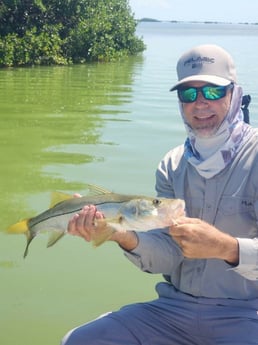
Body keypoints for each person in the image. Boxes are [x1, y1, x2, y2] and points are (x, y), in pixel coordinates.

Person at [61, 44, 258, 345]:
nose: (200, 103)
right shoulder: (172, 164)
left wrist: (227, 248)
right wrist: (117, 233)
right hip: (172, 309)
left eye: (213, 92)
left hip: (248, 314)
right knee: (79, 340)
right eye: (188, 94)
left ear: (234, 93)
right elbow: (168, 257)